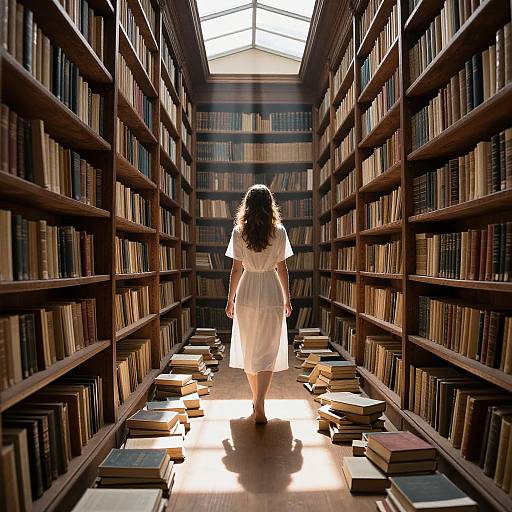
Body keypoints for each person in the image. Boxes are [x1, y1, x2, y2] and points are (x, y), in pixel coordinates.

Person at [225, 184, 293, 424]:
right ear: (269, 205)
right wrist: (287, 298)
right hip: (271, 290)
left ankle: (256, 399)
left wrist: (230, 299)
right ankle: (260, 400)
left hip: (247, 290)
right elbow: (282, 268)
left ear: (247, 205)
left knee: (249, 346)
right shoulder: (280, 231)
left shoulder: (238, 232)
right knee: (268, 348)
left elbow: (236, 269)